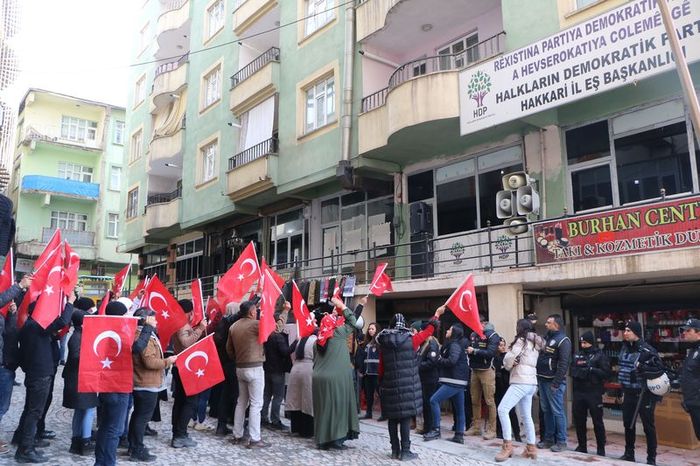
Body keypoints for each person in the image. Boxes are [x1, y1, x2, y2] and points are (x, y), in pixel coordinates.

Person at [377, 306, 444, 460]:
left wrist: (381, 383)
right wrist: (437, 314)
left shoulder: (384, 342)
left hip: (389, 385)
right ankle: (405, 452)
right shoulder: (411, 340)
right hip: (408, 386)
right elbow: (429, 330)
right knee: (405, 418)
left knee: (392, 419)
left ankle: (395, 450)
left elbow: (381, 367)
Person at [15, 291, 75, 463]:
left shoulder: (29, 326)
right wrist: (70, 302)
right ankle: (25, 449)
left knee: (30, 409)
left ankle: (22, 441)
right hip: (40, 374)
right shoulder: (36, 326)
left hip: (35, 373)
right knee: (34, 412)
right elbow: (62, 321)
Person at [227, 300, 290, 448]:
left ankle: (237, 435)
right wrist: (285, 311)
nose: (257, 313)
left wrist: (238, 359)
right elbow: (277, 328)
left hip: (240, 367)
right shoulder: (255, 325)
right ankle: (255, 439)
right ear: (251, 312)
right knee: (256, 404)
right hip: (255, 367)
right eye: (255, 311)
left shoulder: (233, 326)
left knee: (241, 402)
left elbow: (229, 350)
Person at [313, 296, 365, 450]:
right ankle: (336, 440)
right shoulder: (337, 334)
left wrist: (360, 306)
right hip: (336, 378)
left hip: (318, 378)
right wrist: (342, 306)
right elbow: (352, 322)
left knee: (324, 411)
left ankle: (323, 440)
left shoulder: (318, 340)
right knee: (338, 408)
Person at [95, 300, 141, 466]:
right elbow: (136, 348)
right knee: (114, 430)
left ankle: (99, 462)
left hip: (105, 385)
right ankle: (108, 463)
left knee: (105, 427)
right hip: (118, 386)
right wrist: (148, 328)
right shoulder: (120, 333)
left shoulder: (103, 328)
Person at [129, 308, 177, 462]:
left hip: (145, 382)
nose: (156, 321)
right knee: (142, 417)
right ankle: (137, 448)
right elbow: (149, 362)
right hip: (145, 383)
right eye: (154, 319)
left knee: (139, 416)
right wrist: (167, 362)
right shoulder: (143, 336)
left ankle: (133, 446)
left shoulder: (144, 334)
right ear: (146, 320)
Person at [495, 319, 544, 462]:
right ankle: (531, 447)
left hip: (520, 380)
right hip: (531, 382)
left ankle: (507, 446)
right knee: (526, 415)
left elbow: (509, 358)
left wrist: (508, 365)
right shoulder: (535, 343)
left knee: (502, 409)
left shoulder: (521, 341)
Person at [618, 321, 665, 465]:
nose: (625, 333)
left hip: (644, 393)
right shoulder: (624, 348)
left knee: (648, 427)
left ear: (636, 332)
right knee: (628, 424)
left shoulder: (647, 350)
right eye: (624, 330)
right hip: (629, 392)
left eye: (628, 330)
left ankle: (651, 459)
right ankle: (629, 453)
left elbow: (659, 370)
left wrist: (644, 368)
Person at [423, 322, 469, 443]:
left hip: (453, 380)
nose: (447, 331)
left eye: (449, 329)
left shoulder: (454, 345)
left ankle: (436, 430)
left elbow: (452, 361)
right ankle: (459, 435)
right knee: (459, 409)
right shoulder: (456, 344)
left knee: (434, 400)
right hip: (459, 381)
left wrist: (439, 359)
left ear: (453, 333)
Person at [169, 299, 206, 448]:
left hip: (181, 366)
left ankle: (178, 431)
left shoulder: (179, 322)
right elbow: (185, 342)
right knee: (189, 402)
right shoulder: (182, 324)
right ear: (190, 312)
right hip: (185, 368)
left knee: (181, 401)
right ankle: (180, 434)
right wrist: (199, 329)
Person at [0, 275, 31, 455]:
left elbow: (10, 335)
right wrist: (19, 285)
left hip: (6, 365)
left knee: (3, 406)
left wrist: (12, 315)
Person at [62, 307, 98, 456]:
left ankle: (77, 439)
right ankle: (85, 441)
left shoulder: (79, 335)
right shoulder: (78, 337)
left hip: (79, 377)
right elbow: (77, 357)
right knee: (88, 410)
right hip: (80, 378)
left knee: (81, 410)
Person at [571, 331, 610, 456]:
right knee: (579, 420)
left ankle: (601, 448)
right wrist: (584, 371)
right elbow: (573, 371)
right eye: (581, 342)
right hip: (579, 392)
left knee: (597, 421)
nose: (583, 345)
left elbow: (605, 373)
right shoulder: (577, 355)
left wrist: (591, 369)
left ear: (591, 343)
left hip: (594, 392)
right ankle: (582, 446)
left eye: (585, 342)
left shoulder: (599, 355)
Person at [536, 314, 571, 452]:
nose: (546, 324)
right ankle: (548, 439)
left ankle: (561, 441)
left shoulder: (564, 340)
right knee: (547, 411)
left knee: (557, 412)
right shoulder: (547, 337)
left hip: (553, 382)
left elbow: (563, 364)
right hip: (542, 379)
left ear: (556, 324)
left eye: (548, 322)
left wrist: (556, 383)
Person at [466, 316, 500, 440]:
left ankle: (492, 430)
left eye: (476, 322)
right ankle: (476, 427)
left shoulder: (493, 336)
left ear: (483, 323)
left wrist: (474, 351)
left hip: (486, 370)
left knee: (489, 401)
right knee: (475, 400)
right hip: (474, 369)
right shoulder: (474, 334)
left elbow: (491, 352)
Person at [261, 311, 293, 431]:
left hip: (267, 369)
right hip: (277, 370)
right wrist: (295, 343)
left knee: (266, 395)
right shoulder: (278, 337)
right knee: (278, 397)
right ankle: (275, 420)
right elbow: (285, 352)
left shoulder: (267, 335)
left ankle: (263, 418)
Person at [213, 301, 240, 436]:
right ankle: (237, 424)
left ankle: (221, 425)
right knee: (236, 395)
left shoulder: (221, 324)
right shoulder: (231, 324)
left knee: (224, 395)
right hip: (232, 363)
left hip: (223, 364)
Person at [286, 330, 318, 438]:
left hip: (296, 369)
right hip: (308, 369)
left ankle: (296, 428)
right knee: (307, 400)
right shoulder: (315, 341)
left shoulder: (300, 340)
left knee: (296, 400)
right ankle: (307, 430)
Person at [494, 337, 520, 443]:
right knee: (499, 409)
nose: (502, 347)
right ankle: (499, 432)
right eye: (500, 345)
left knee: (511, 411)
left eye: (503, 345)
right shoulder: (494, 357)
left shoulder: (507, 356)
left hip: (507, 385)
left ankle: (516, 433)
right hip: (497, 385)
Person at [416, 321, 440, 435]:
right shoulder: (424, 343)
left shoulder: (432, 343)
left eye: (422, 330)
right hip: (424, 378)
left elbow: (431, 362)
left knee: (429, 403)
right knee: (425, 403)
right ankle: (426, 427)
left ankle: (430, 428)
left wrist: (418, 366)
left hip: (430, 378)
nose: (420, 332)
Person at [679, 318, 700, 440]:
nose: (685, 333)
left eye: (688, 330)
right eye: (684, 330)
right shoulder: (692, 350)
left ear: (698, 333)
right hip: (692, 402)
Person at [356, 322, 381, 420]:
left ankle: (385, 414)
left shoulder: (380, 343)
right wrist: (362, 371)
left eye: (372, 329)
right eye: (369, 329)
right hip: (367, 373)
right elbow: (363, 358)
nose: (370, 330)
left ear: (377, 330)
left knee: (380, 394)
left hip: (376, 373)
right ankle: (368, 413)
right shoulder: (366, 344)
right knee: (368, 394)